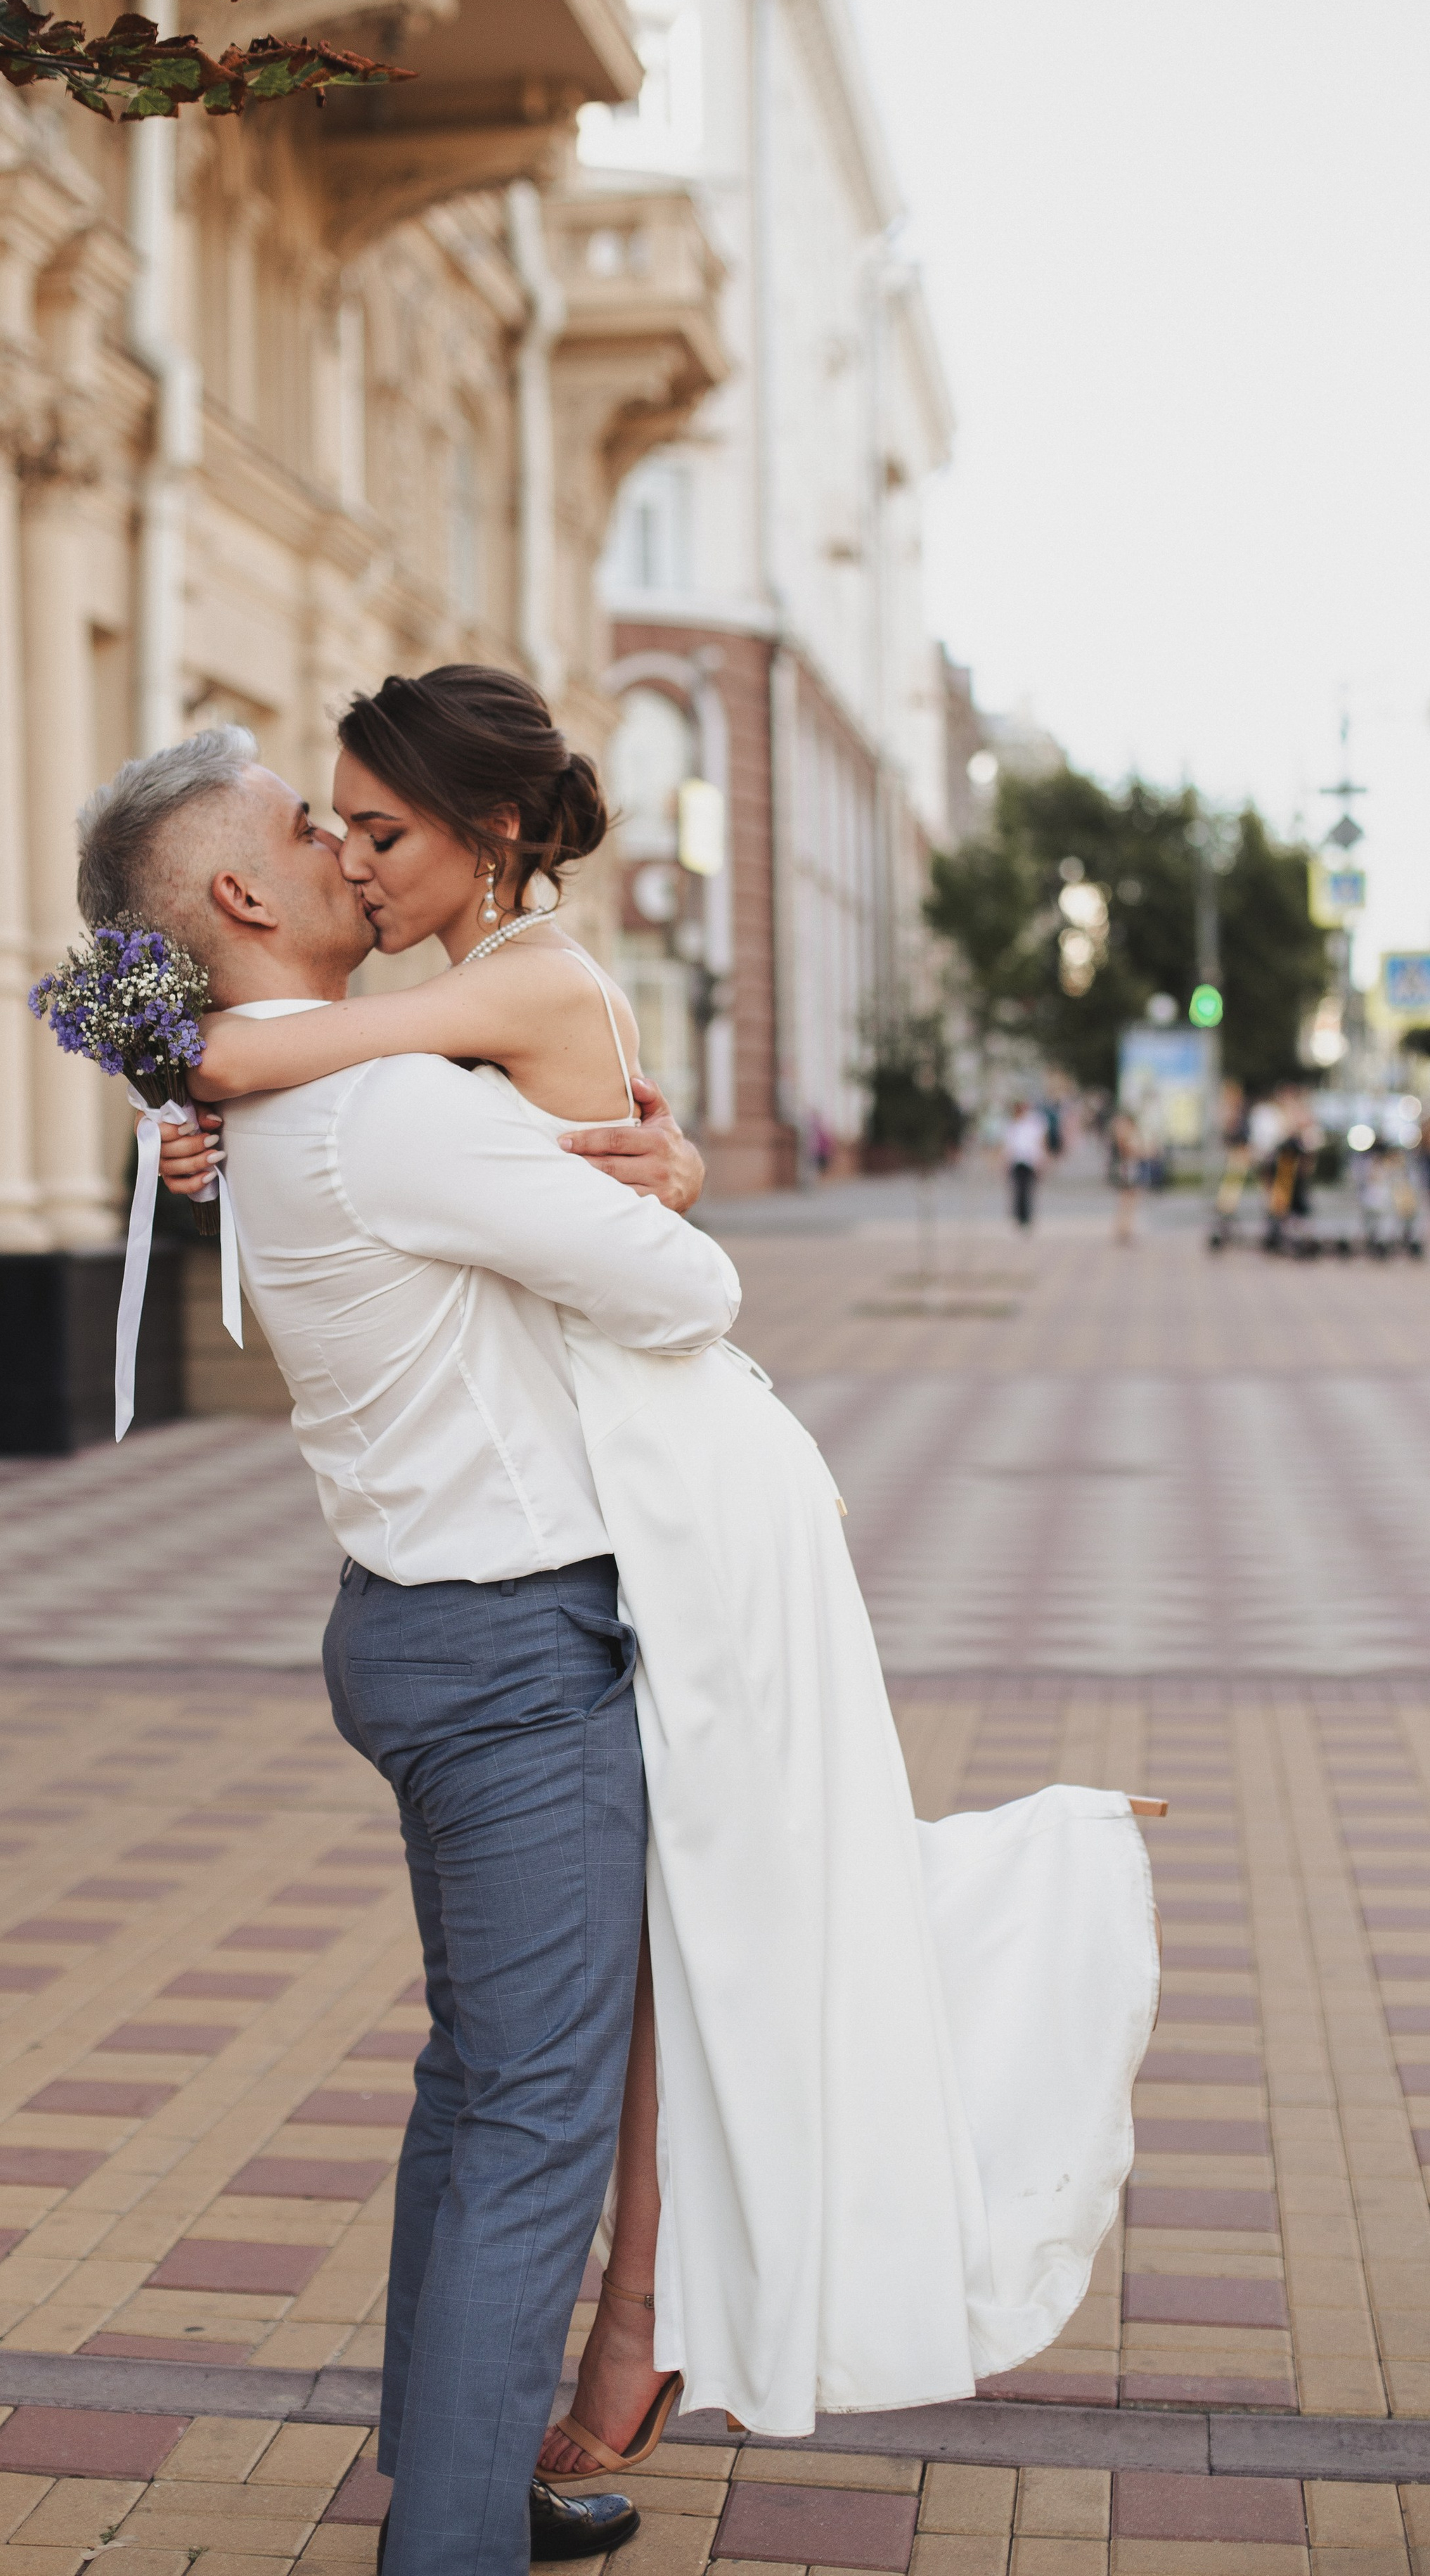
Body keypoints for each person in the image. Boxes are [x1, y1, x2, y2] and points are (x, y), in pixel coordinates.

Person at [144, 671, 1159, 2505]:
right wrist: (213, 1100)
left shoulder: (492, 994)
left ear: (495, 836)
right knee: (642, 1991)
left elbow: (326, 1084)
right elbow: (482, 1176)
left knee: (660, 1972)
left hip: (674, 1502)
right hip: (600, 1526)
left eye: (380, 833)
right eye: (335, 833)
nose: (355, 866)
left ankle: (601, 2357)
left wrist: (191, 1061)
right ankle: (591, 2368)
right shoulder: (419, 1052)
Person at [80, 700, 723, 2576]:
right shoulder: (373, 1101)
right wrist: (666, 1189)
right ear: (235, 886)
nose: (348, 849)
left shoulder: (268, 1098)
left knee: (479, 2091)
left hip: (416, 1625)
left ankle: (463, 2472)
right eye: (311, 826)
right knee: (533, 2120)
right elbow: (690, 1289)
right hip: (513, 1648)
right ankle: (452, 2535)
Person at [1002, 1098, 1045, 1230]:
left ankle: (1027, 1217)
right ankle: (1019, 1217)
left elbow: (1038, 1144)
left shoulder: (1033, 1124)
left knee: (1027, 1190)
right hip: (1017, 1161)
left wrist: (1040, 1160)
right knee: (1018, 1190)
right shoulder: (1013, 1125)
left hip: (1029, 1161)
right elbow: (1009, 1146)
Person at [1107, 1103, 1146, 1246]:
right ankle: (1124, 1230)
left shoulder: (1117, 1133)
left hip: (1125, 1168)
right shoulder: (1123, 1135)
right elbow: (1130, 1151)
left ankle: (1124, 1230)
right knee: (1127, 1201)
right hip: (1127, 1169)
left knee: (1126, 1201)